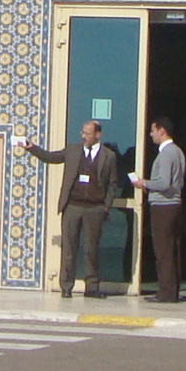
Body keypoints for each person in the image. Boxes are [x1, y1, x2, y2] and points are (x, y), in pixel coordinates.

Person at [19, 118, 122, 297]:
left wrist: (106, 206)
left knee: (91, 249)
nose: (84, 136)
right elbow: (51, 157)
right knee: (69, 248)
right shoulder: (73, 151)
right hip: (73, 206)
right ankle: (66, 286)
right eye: (83, 132)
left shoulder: (108, 156)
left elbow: (113, 183)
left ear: (98, 135)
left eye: (87, 134)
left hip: (94, 208)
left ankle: (92, 287)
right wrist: (31, 147)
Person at [132, 118, 186, 305]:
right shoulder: (178, 152)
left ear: (162, 131)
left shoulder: (166, 154)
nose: (150, 134)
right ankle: (172, 289)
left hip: (164, 206)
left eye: (153, 130)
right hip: (174, 205)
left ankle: (166, 292)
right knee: (172, 249)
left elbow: (164, 183)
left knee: (163, 250)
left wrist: (144, 183)